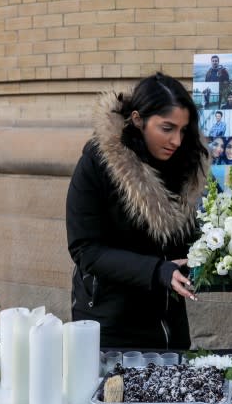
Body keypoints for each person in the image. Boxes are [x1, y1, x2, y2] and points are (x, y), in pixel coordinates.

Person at [67, 73, 208, 349]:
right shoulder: (98, 165)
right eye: (167, 128)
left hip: (170, 326)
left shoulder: (187, 166)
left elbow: (184, 242)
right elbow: (85, 249)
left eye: (182, 130)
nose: (176, 141)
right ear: (138, 119)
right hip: (111, 323)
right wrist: (157, 270)